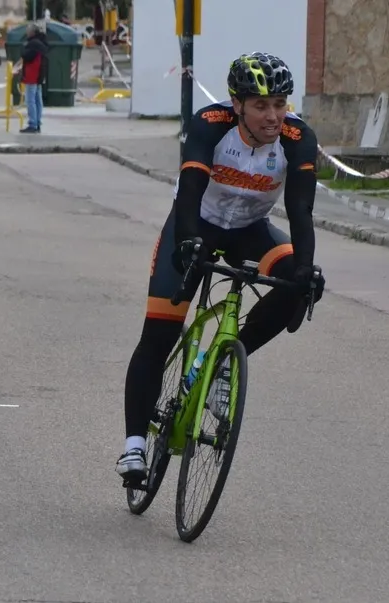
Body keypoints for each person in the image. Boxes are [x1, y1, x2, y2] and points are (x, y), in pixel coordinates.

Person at [115, 53, 326, 480]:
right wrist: (188, 242)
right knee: (159, 334)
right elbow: (189, 191)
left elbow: (300, 209)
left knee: (299, 279)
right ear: (237, 104)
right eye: (261, 106)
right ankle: (134, 446)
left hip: (251, 230)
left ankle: (226, 365)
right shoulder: (211, 123)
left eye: (280, 104)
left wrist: (305, 267)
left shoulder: (297, 137)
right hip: (196, 224)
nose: (273, 116)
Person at [18, 23, 47, 134]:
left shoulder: (33, 44)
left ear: (32, 32)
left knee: (30, 100)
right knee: (38, 100)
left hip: (32, 76)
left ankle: (32, 124)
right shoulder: (41, 43)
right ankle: (37, 122)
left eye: (28, 30)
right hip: (39, 75)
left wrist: (23, 50)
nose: (26, 32)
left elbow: (26, 56)